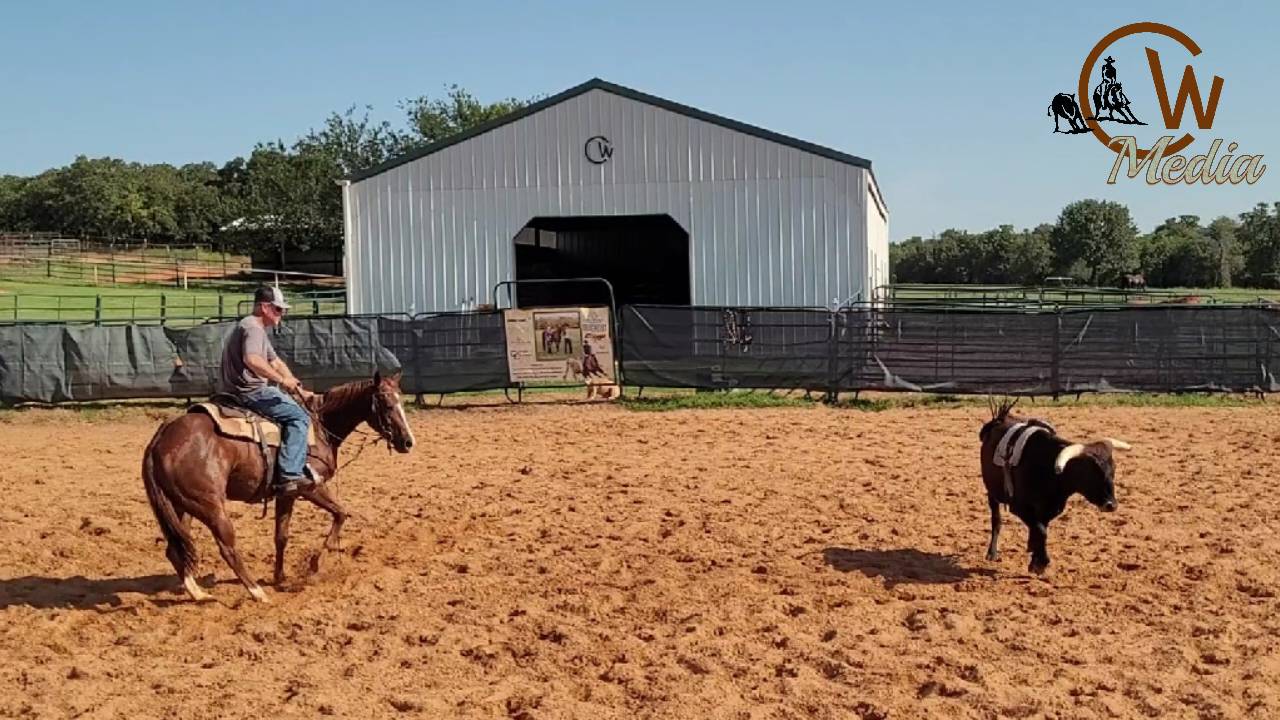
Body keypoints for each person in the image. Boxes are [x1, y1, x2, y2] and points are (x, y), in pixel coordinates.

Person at [219, 285, 316, 494]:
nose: (282, 314)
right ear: (265, 307)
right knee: (299, 418)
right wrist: (282, 381)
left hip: (237, 390)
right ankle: (290, 475)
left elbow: (275, 361)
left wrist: (298, 387)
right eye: (279, 309)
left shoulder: (252, 327)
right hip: (251, 392)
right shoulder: (253, 328)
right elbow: (252, 359)